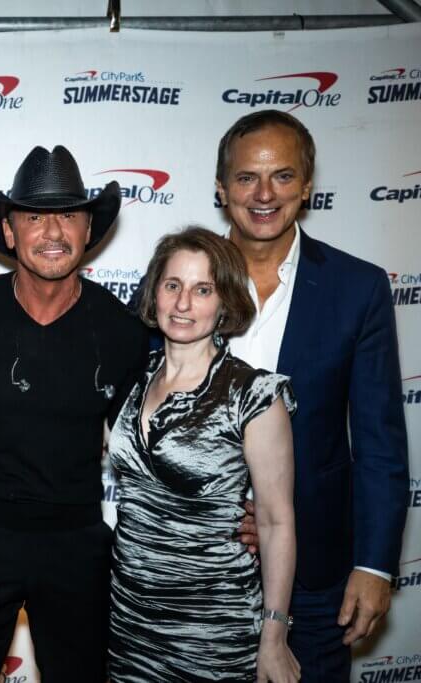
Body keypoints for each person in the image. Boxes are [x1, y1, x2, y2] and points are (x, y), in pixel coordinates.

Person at [0, 145, 149, 682]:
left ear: (88, 230)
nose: (53, 232)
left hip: (76, 543)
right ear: (9, 232)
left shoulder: (123, 330)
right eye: (34, 216)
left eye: (68, 215)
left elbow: (141, 444)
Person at [214, 110, 409, 681]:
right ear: (221, 188)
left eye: (283, 176)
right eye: (248, 177)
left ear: (307, 187)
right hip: (199, 567)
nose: (265, 194)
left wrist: (375, 565)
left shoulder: (357, 288)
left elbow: (378, 443)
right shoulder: (179, 281)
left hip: (315, 574)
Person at [109, 227, 299, 681]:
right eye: (172, 285)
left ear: (225, 303)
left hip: (214, 627)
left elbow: (276, 521)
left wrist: (274, 636)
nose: (183, 303)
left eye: (202, 289)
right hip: (131, 621)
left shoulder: (251, 394)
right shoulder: (135, 381)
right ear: (154, 292)